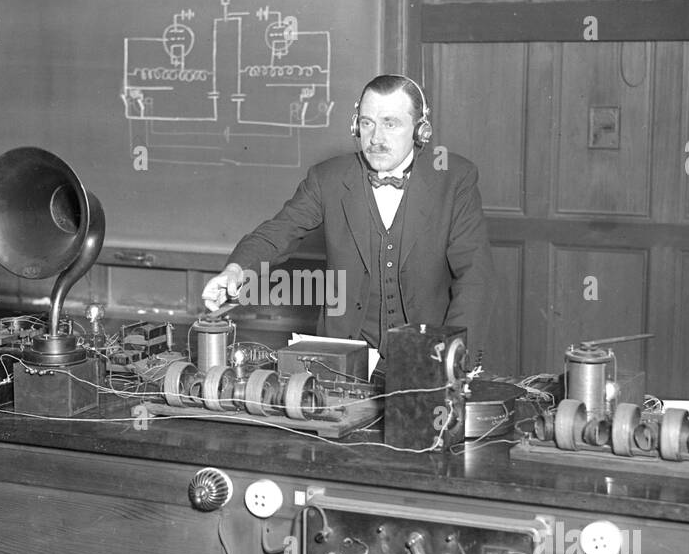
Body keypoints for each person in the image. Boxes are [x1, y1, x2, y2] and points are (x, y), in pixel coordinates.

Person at [202, 73, 495, 374]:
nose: (376, 138)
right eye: (367, 123)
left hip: (427, 360)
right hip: (343, 359)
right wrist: (236, 269)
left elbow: (475, 277)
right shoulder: (327, 178)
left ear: (420, 130)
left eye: (390, 123)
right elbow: (277, 232)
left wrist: (450, 362)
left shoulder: (454, 178)